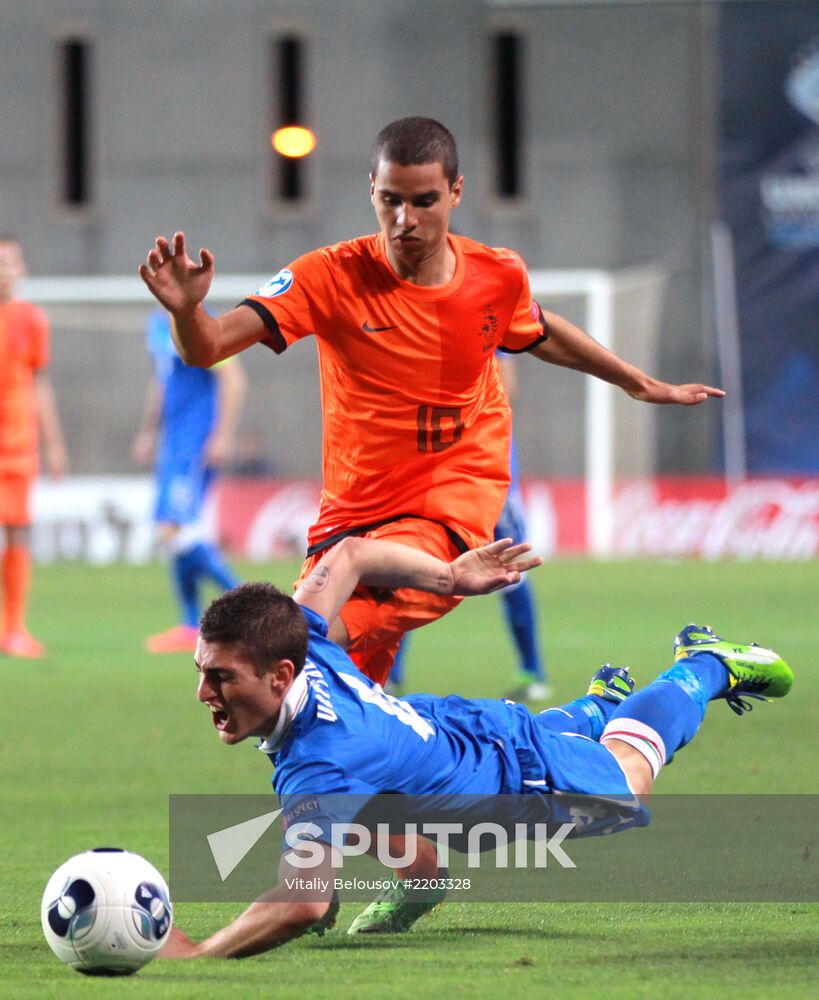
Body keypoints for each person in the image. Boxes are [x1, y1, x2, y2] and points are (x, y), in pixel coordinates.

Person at [139, 116, 725, 685]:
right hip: (352, 510)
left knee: (289, 654)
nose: (405, 219)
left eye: (424, 201)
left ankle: (648, 697)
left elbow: (540, 331)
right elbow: (207, 348)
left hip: (449, 504)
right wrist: (188, 311)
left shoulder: (495, 276)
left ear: (455, 193)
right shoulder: (328, 276)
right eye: (391, 199)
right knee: (334, 708)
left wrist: (637, 382)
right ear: (371, 189)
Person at [159, 535, 792, 958]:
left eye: (220, 678)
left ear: (279, 677)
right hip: (441, 731)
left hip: (508, 776)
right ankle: (594, 708)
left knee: (625, 785)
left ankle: (704, 666)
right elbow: (348, 555)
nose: (202, 693)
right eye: (201, 669)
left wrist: (197, 955)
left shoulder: (319, 760)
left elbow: (300, 903)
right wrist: (448, 575)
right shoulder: (300, 636)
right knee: (365, 805)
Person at [387, 354, 549, 701]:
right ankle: (391, 673)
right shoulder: (423, 332)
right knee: (409, 562)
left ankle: (532, 670)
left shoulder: (484, 320)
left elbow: (507, 387)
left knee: (509, 565)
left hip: (489, 470)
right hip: (433, 466)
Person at [132, 309, 246, 653]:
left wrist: (223, 435)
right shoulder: (155, 324)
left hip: (195, 442)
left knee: (173, 529)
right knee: (176, 534)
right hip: (174, 443)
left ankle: (250, 609)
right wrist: (150, 431)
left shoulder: (200, 323)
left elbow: (234, 378)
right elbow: (163, 380)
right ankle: (189, 623)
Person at [0, 235, 68, 658]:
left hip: (20, 441)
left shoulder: (32, 320)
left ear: (21, 270)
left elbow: (40, 383)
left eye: (10, 262)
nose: (4, 269)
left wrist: (55, 443)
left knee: (18, 530)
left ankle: (15, 628)